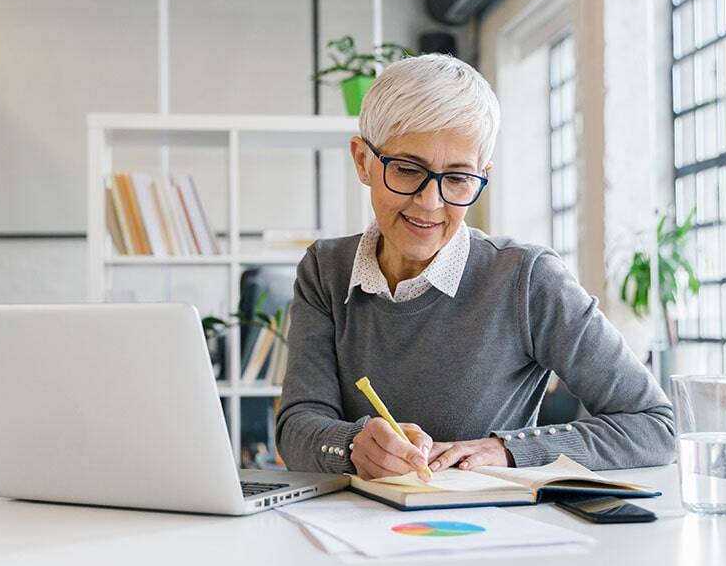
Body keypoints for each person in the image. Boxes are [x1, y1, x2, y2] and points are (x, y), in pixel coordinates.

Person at [275, 53, 674, 481]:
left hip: (490, 534)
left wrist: (510, 449)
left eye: (458, 178)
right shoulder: (324, 270)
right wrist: (353, 446)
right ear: (362, 161)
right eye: (408, 170)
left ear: (482, 177)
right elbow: (297, 426)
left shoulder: (527, 279)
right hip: (352, 530)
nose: (430, 203)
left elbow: (654, 425)